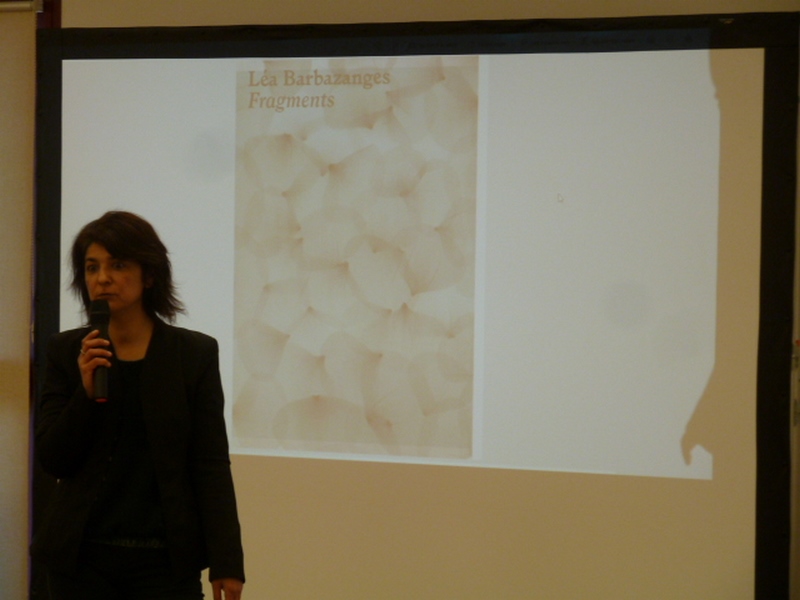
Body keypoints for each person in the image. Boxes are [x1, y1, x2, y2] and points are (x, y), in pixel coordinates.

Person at [32, 211, 245, 600]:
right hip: (81, 563)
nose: (102, 278)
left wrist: (227, 560)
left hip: (163, 565)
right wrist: (84, 393)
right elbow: (53, 459)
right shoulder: (66, 351)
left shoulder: (193, 354)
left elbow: (210, 464)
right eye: (92, 267)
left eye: (118, 265)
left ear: (149, 275)